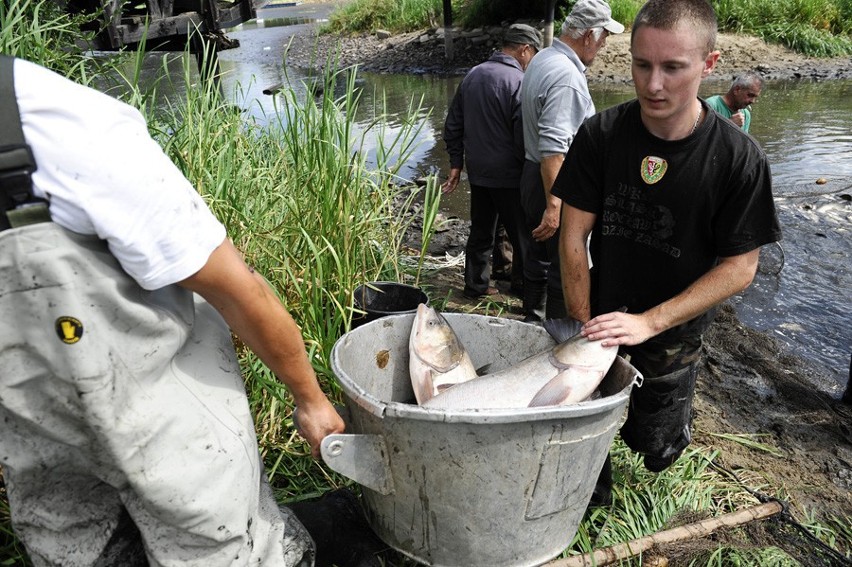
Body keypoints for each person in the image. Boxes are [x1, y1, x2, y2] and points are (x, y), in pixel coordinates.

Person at [0, 56, 359, 566]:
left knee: (73, 547)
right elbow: (237, 288)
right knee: (217, 540)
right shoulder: (67, 122)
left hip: (30, 428)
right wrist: (310, 400)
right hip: (157, 419)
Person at [553, 0, 781, 501]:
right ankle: (591, 486)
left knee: (654, 445)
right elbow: (573, 235)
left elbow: (741, 268)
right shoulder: (601, 135)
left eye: (673, 68)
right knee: (582, 427)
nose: (653, 85)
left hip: (673, 330)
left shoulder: (739, 159)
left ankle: (659, 437)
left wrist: (650, 322)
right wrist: (584, 323)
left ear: (709, 64)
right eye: (642, 64)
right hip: (598, 312)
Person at [519, 0, 624, 321]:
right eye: (604, 36)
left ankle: (533, 319)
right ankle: (556, 338)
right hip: (554, 183)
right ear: (590, 35)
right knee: (566, 264)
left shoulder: (543, 59)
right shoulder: (566, 77)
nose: (605, 44)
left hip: (532, 174)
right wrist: (555, 207)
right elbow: (554, 150)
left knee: (540, 256)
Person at [442, 23, 542, 299]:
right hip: (510, 175)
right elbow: (523, 136)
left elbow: (453, 124)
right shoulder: (520, 82)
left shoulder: (473, 75)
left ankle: (476, 286)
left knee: (481, 231)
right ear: (524, 50)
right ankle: (525, 289)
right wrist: (534, 170)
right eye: (533, 54)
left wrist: (455, 163)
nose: (532, 62)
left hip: (479, 172)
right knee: (523, 235)